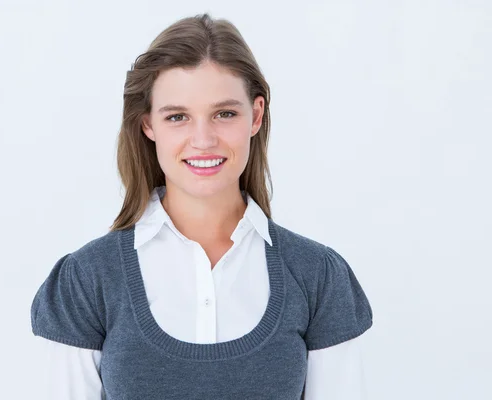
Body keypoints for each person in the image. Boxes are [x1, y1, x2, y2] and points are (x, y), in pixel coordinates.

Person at [30, 13, 373, 399]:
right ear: (148, 125)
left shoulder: (317, 278)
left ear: (255, 115)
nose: (203, 139)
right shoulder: (87, 281)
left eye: (224, 113)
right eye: (177, 117)